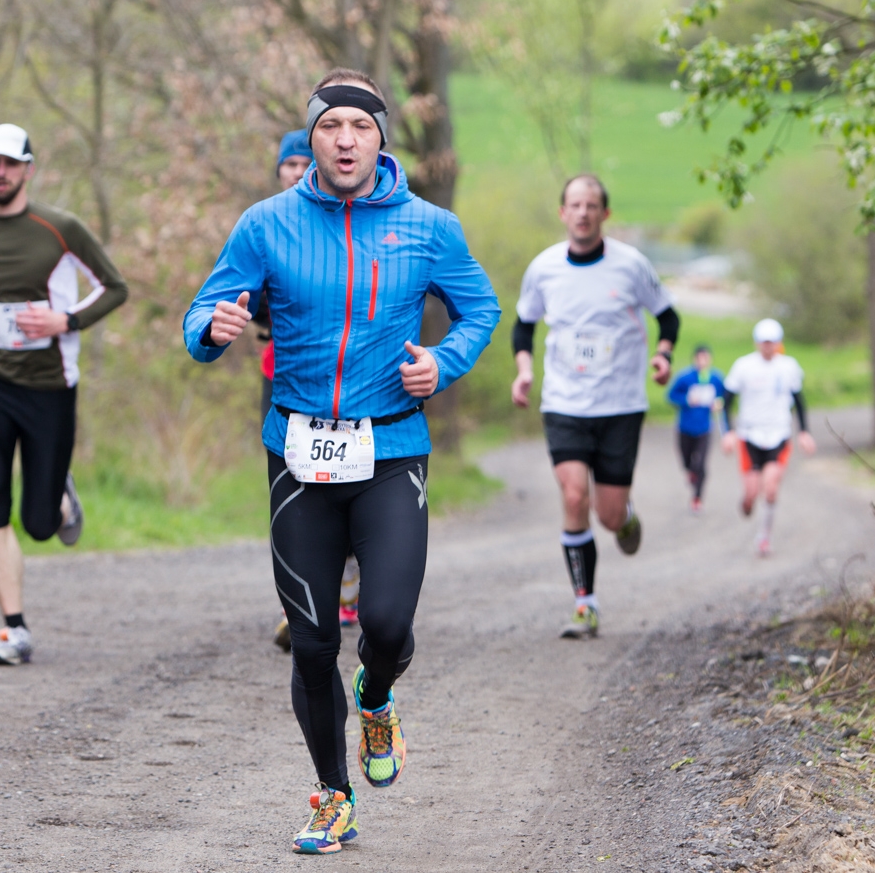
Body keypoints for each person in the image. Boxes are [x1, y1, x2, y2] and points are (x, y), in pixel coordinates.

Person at [184, 70, 499, 854]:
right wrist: (213, 327)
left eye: (361, 125)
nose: (347, 139)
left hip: (390, 446)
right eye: (331, 128)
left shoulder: (430, 227)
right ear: (313, 140)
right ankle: (332, 793)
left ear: (381, 137)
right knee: (315, 636)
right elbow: (202, 311)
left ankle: (379, 694)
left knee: (386, 624)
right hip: (299, 453)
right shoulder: (265, 224)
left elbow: (481, 308)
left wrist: (444, 360)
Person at [0, 123, 128, 665]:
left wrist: (64, 319)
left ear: (27, 168)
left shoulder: (61, 228)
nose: (0, 173)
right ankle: (13, 628)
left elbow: (115, 288)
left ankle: (60, 495)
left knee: (40, 524)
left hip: (50, 389)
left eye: (10, 163)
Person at [511, 174, 678, 640]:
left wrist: (662, 355)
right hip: (564, 402)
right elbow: (523, 327)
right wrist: (524, 370)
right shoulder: (544, 268)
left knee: (605, 513)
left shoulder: (631, 266)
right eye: (574, 205)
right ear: (563, 213)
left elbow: (668, 315)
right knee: (573, 496)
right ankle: (585, 603)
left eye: (592, 205)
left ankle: (623, 518)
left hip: (620, 404)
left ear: (605, 214)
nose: (583, 213)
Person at [264, 130, 361, 655]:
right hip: (280, 382)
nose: (294, 168)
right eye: (289, 162)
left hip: (349, 391)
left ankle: (348, 579)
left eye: (303, 160)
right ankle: (296, 603)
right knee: (296, 483)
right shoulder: (269, 222)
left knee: (344, 486)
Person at [721, 318, 815, 556]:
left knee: (770, 488)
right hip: (750, 434)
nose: (768, 346)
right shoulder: (743, 366)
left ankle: (764, 537)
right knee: (753, 492)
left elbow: (799, 401)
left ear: (779, 343)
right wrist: (728, 433)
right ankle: (748, 500)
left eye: (772, 342)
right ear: (756, 343)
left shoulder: (789, 366)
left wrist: (804, 432)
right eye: (764, 342)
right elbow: (727, 402)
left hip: (779, 434)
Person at [666, 345, 728, 512]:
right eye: (699, 358)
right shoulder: (685, 377)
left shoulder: (716, 378)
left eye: (705, 358)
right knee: (686, 461)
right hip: (685, 427)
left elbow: (726, 396)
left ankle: (697, 497)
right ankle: (691, 472)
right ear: (694, 359)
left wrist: (719, 403)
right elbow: (671, 396)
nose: (702, 362)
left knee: (700, 463)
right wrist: (686, 400)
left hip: (704, 429)